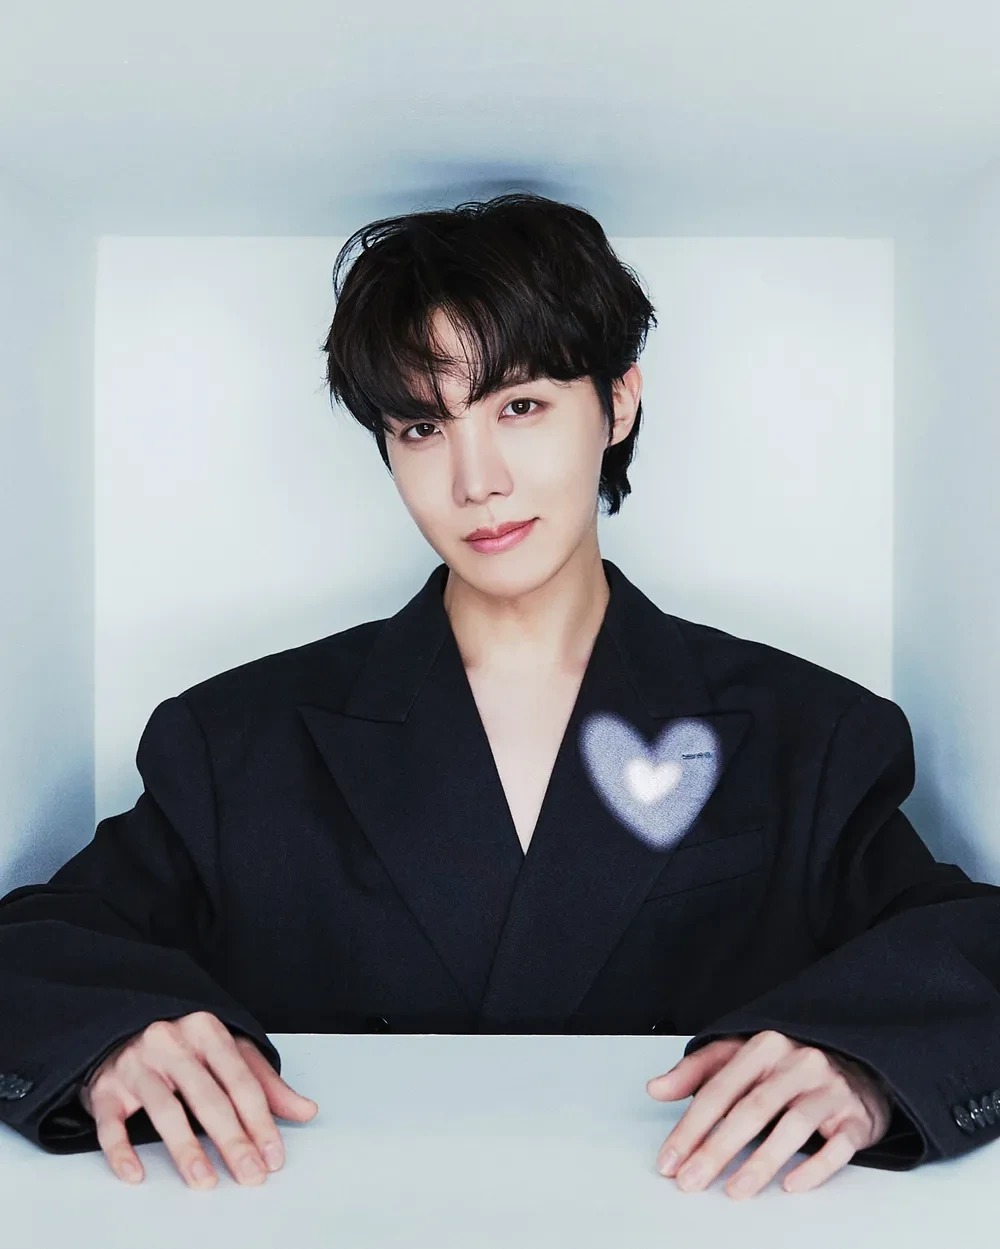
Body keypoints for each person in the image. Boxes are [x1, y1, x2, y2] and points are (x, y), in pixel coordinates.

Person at [2, 194, 999, 1200]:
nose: (475, 479)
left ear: (617, 402)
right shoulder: (235, 741)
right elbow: (37, 945)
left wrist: (865, 1062)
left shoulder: (810, 734)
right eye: (423, 425)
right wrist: (112, 1039)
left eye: (519, 406)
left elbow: (967, 947)